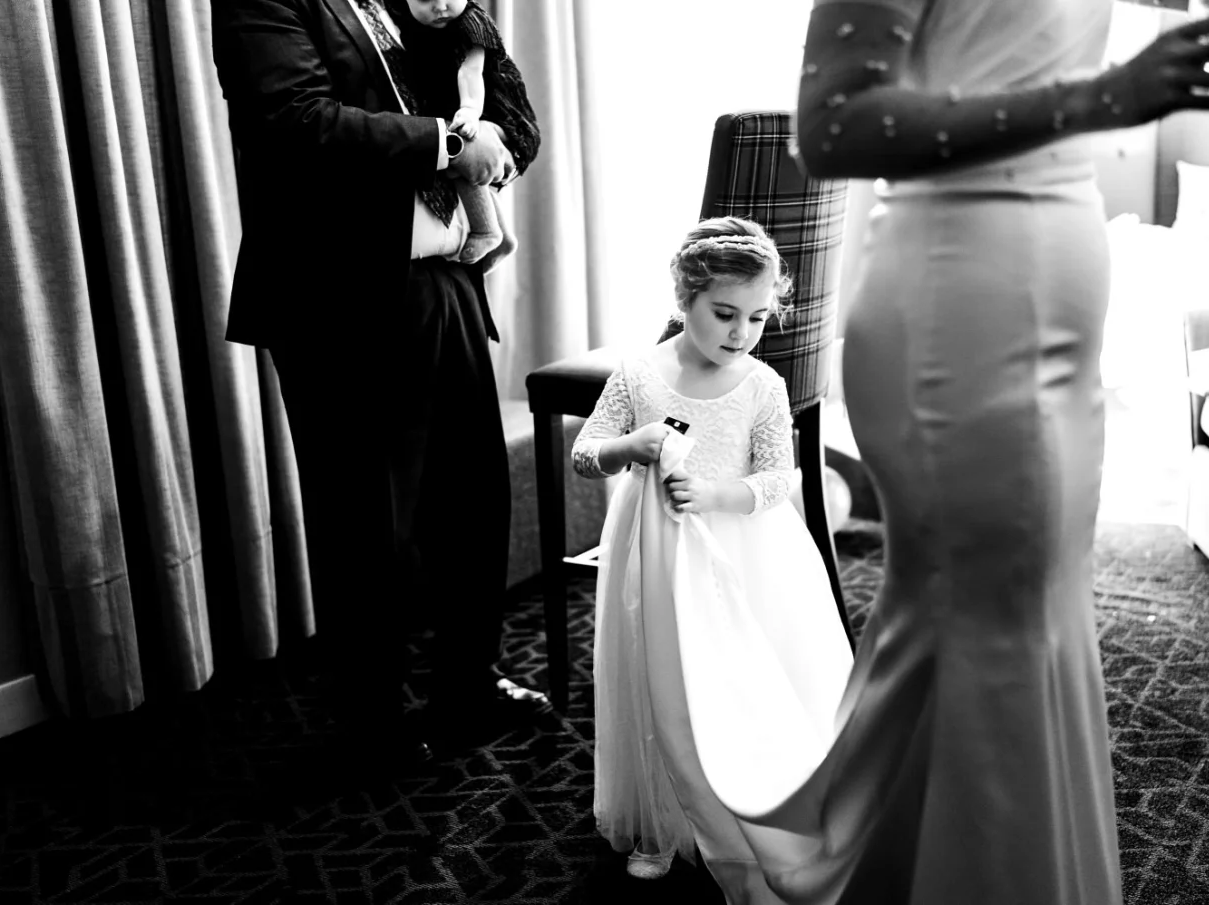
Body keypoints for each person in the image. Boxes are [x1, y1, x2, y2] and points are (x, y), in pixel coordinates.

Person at [666, 2, 1209, 904]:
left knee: (1030, 606)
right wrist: (1102, 96)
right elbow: (834, 125)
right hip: (961, 296)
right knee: (989, 617)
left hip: (1057, 282)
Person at [211, 0, 551, 774]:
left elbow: (502, 107)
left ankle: (468, 684)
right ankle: (373, 721)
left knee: (472, 501)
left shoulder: (408, 0)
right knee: (367, 521)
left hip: (445, 280)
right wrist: (448, 141)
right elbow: (294, 123)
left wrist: (477, 92)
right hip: (339, 296)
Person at [571, 218, 854, 895]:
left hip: (747, 554)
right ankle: (661, 820)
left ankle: (763, 806)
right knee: (662, 677)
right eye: (725, 314)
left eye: (757, 317)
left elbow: (780, 478)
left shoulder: (760, 384)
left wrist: (715, 492)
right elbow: (586, 451)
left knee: (745, 680)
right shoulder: (641, 374)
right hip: (658, 557)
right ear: (684, 299)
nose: (741, 332)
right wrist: (628, 446)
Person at [402, 0, 532, 272]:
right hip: (459, 106)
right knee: (459, 152)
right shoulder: (409, 20)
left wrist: (471, 111)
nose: (439, 6)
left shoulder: (472, 24)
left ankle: (487, 232)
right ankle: (504, 238)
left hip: (498, 113)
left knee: (461, 149)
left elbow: (470, 72)